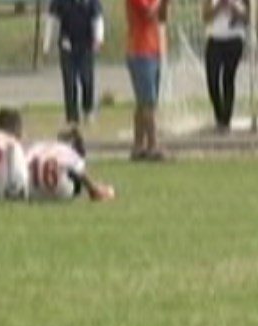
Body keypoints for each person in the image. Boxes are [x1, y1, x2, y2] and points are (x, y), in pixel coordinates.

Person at [43, 0, 105, 127]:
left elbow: (98, 19)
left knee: (87, 80)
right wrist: (46, 45)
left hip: (86, 46)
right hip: (67, 45)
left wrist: (98, 39)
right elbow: (51, 22)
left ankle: (88, 110)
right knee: (69, 82)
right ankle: (71, 116)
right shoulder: (60, 3)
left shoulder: (91, 3)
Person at [26, 127, 116, 201]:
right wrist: (95, 190)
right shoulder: (68, 151)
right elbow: (83, 176)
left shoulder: (39, 145)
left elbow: (25, 163)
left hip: (33, 193)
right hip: (61, 192)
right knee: (75, 176)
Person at [124, 0, 165, 160]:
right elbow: (147, 13)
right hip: (140, 50)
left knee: (143, 102)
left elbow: (161, 16)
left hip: (152, 48)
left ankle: (139, 145)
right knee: (148, 102)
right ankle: (153, 145)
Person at [201, 0, 246, 132]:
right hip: (214, 40)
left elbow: (246, 19)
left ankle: (225, 120)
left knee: (228, 78)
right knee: (212, 80)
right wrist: (219, 6)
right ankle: (219, 114)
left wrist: (234, 10)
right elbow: (205, 17)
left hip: (234, 39)